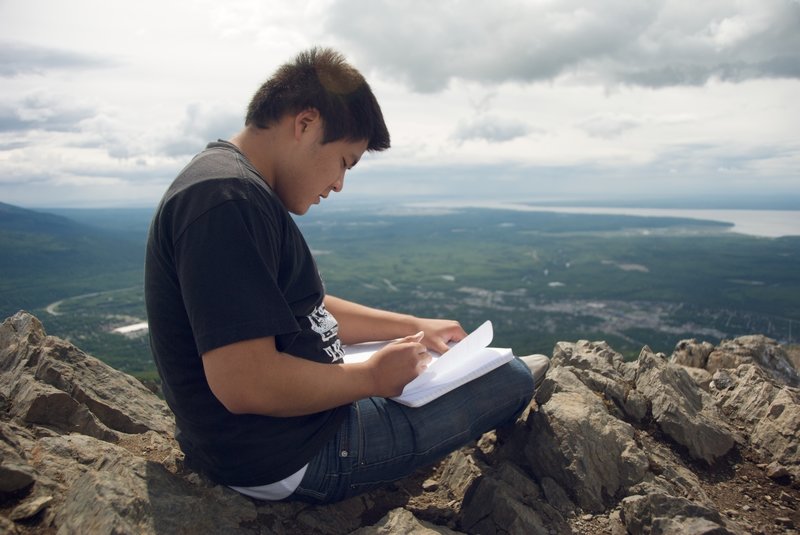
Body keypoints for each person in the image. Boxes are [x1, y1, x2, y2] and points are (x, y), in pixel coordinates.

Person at [144, 47, 549, 504]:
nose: (338, 184)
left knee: (444, 368)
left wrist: (412, 326)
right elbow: (244, 383)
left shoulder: (232, 186)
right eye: (344, 162)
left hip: (282, 433)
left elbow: (302, 309)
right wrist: (372, 379)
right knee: (510, 377)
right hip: (290, 453)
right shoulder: (227, 201)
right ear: (306, 124)